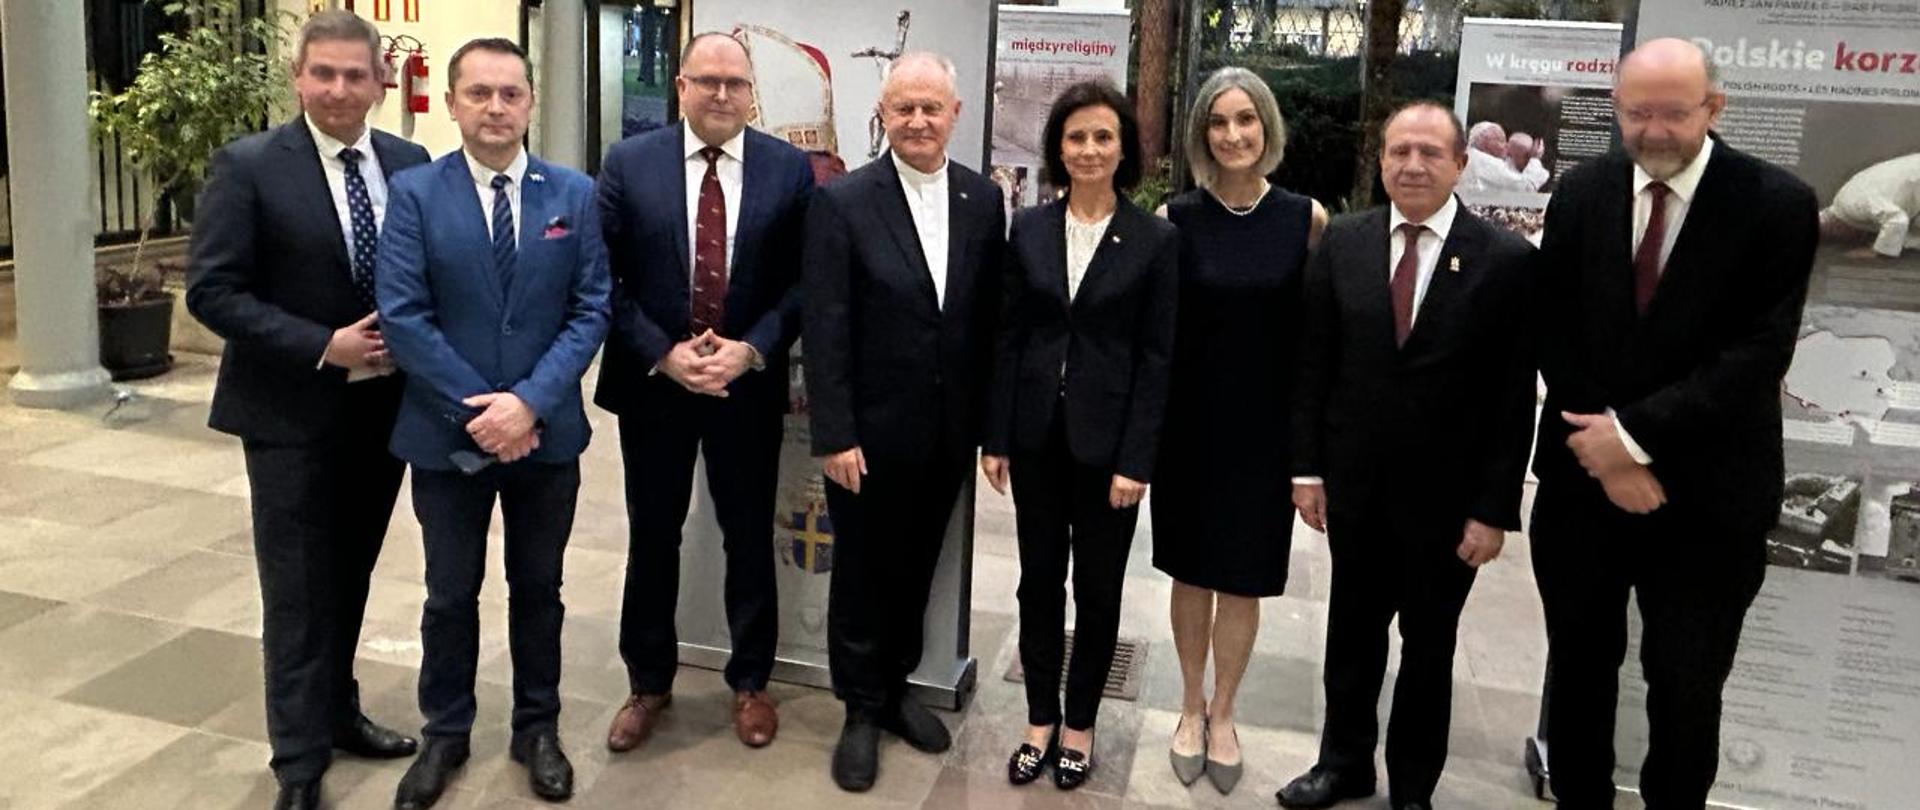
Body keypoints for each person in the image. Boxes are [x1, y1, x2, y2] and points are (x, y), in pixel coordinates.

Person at [1530, 39, 1818, 809]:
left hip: (1708, 502)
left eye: (1673, 113)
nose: (1653, 130)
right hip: (1583, 489)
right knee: (1581, 678)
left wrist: (1631, 439)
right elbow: (1556, 330)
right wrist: (1608, 457)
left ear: (1714, 109)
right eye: (1636, 112)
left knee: (1686, 692)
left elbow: (1758, 354)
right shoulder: (1582, 194)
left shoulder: (1777, 207)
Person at [184, 11, 429, 809]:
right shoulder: (249, 165)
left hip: (380, 415)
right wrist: (324, 343)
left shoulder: (409, 161)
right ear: (298, 77)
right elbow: (212, 291)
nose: (338, 89)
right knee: (295, 589)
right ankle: (296, 760)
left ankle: (335, 711)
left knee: (349, 576)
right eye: (322, 73)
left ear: (379, 82)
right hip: (289, 412)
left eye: (355, 75)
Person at [1277, 101, 1536, 810]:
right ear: (1383, 160)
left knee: (1429, 649)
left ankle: (1413, 787)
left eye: (1429, 152)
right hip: (1356, 491)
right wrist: (1307, 472)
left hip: (1448, 508)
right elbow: (1313, 365)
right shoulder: (1346, 244)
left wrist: (1493, 511)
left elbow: (1513, 400)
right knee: (1351, 640)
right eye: (1399, 152)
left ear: (1459, 165)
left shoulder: (1506, 262)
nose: (1413, 165)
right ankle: (1343, 766)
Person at [375, 38, 610, 809]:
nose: (495, 108)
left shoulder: (573, 195)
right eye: (479, 93)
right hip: (448, 435)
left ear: (531, 103)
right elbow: (404, 316)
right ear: (452, 103)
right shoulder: (414, 193)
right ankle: (445, 731)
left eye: (510, 94)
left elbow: (590, 309)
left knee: (539, 589)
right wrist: (484, 411)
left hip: (547, 438)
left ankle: (536, 727)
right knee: (449, 592)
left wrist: (529, 404)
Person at [594, 31, 815, 753]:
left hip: (744, 389)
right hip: (655, 385)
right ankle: (647, 682)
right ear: (681, 86)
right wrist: (663, 352)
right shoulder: (629, 164)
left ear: (753, 93)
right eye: (707, 81)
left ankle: (750, 681)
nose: (722, 94)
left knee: (749, 536)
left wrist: (751, 350)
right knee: (653, 535)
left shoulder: (790, 170)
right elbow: (604, 278)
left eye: (735, 83)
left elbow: (802, 284)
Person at [801, 51, 1006, 793]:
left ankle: (894, 693)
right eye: (903, 108)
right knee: (861, 573)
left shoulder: (983, 201)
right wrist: (834, 432)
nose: (918, 120)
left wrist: (991, 429)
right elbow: (824, 325)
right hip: (867, 436)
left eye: (932, 107)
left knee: (919, 566)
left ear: (955, 115)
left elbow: (987, 323)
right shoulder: (843, 202)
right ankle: (859, 708)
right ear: (882, 116)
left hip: (947, 434)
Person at [981, 79, 1179, 792]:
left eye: (1103, 136)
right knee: (1039, 584)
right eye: (1076, 137)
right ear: (1057, 149)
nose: (1089, 149)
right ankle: (1039, 716)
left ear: (1123, 148)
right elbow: (1009, 335)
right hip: (1035, 438)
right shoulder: (1029, 227)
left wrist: (1138, 458)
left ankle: (1080, 724)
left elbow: (1159, 356)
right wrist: (996, 435)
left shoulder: (1155, 239)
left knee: (1097, 592)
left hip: (1109, 452)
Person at [1149, 67, 1325, 796]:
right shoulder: (1175, 219)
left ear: (1267, 128)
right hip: (1189, 428)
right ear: (1202, 134)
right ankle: (1189, 706)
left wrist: (1309, 456)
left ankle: (1226, 714)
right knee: (1192, 573)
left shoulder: (1305, 219)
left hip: (1264, 434)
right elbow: (1158, 336)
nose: (1232, 135)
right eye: (1218, 122)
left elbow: (1317, 343)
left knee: (1244, 581)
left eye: (1245, 120)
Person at [1819, 152, 1920, 260]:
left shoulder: (1854, 204)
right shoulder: (1844, 204)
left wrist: (1875, 252)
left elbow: (1897, 220)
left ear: (1835, 228)